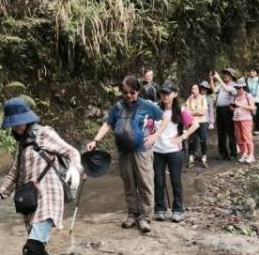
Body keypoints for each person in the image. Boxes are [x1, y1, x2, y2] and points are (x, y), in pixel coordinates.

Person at [0, 98, 82, 255]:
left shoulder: (44, 134)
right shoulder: (22, 144)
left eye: (19, 122)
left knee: (30, 249)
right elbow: (14, 174)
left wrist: (74, 168)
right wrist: (0, 194)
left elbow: (71, 151)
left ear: (27, 119)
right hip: (31, 203)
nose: (16, 127)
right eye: (13, 124)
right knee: (38, 251)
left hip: (49, 197)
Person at [87, 74, 166, 232]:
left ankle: (145, 218)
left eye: (132, 92)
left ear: (138, 91)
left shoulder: (146, 105)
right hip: (124, 151)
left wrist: (155, 135)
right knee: (129, 184)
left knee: (145, 184)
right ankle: (132, 214)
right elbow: (108, 124)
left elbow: (165, 118)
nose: (128, 95)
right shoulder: (118, 107)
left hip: (142, 151)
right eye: (125, 92)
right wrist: (95, 140)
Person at [153, 83, 198, 223]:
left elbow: (195, 124)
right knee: (158, 180)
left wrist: (182, 137)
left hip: (174, 151)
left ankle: (177, 210)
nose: (165, 96)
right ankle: (160, 209)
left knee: (175, 180)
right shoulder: (155, 108)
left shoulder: (180, 110)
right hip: (157, 150)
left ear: (175, 94)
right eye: (163, 93)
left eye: (168, 93)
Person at [211, 68, 238, 160]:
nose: (225, 75)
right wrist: (211, 79)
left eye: (227, 74)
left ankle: (233, 153)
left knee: (230, 132)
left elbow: (227, 89)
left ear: (232, 76)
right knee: (220, 132)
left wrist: (218, 79)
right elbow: (214, 90)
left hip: (228, 110)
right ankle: (223, 153)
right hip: (219, 110)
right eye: (224, 74)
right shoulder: (221, 84)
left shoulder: (234, 85)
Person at [185, 83, 212, 167]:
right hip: (192, 122)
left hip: (202, 122)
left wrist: (192, 112)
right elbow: (186, 111)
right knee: (192, 140)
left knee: (203, 140)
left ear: (198, 90)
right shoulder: (190, 98)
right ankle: (191, 159)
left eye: (195, 88)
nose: (193, 90)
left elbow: (203, 112)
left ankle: (204, 158)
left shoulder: (203, 98)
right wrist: (196, 112)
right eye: (192, 89)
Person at [233, 78, 256, 163]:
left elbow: (253, 107)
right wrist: (232, 106)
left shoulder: (248, 95)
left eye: (240, 88)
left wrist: (241, 105)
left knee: (247, 137)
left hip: (246, 119)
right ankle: (244, 153)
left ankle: (251, 155)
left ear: (244, 87)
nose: (238, 89)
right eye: (237, 88)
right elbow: (233, 108)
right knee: (239, 138)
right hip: (236, 118)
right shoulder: (235, 96)